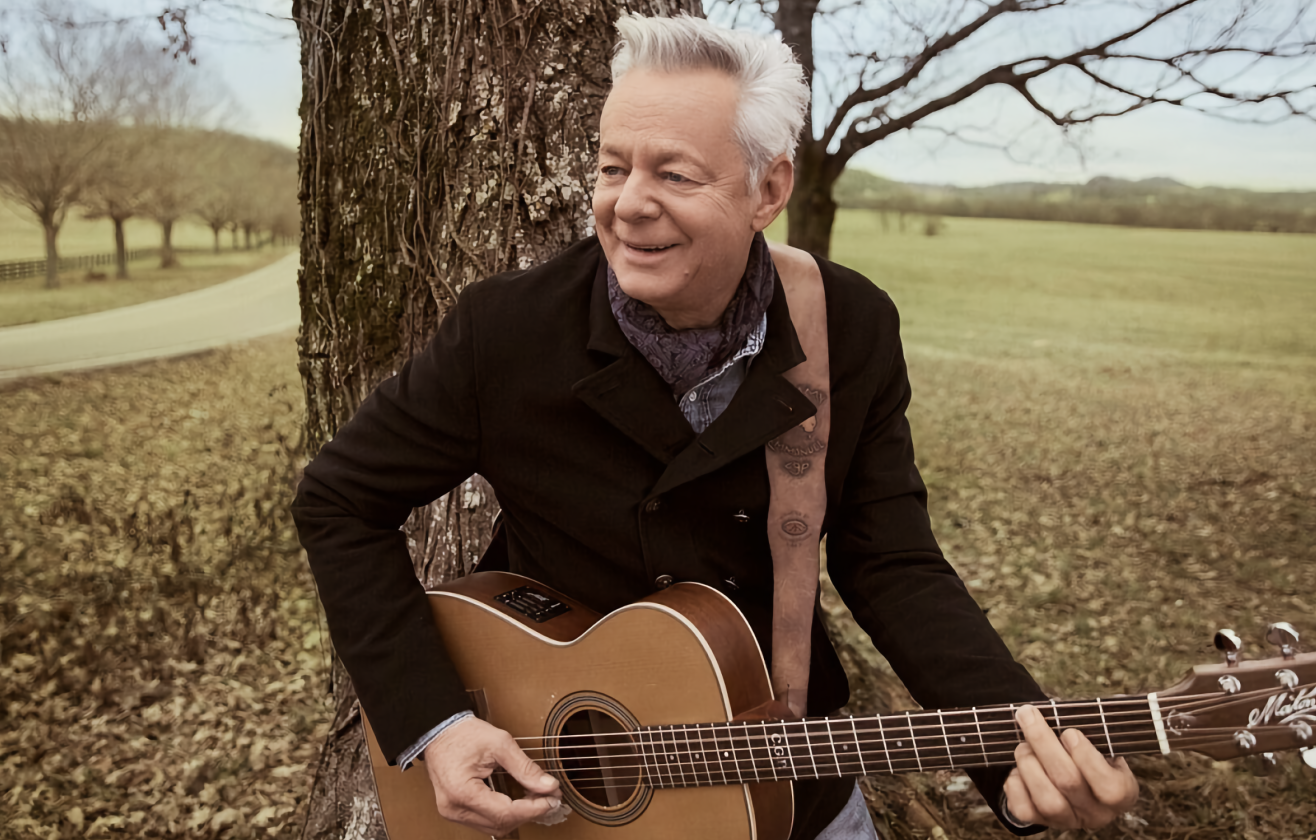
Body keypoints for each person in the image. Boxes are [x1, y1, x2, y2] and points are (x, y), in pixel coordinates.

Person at [292, 13, 1139, 840]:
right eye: (612, 167)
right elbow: (338, 500)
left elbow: (892, 561)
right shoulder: (503, 333)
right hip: (560, 790)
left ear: (768, 189)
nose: (628, 206)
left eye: (675, 175)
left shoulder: (850, 327)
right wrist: (436, 723)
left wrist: (1020, 750)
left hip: (784, 788)